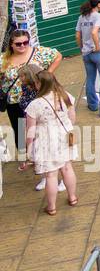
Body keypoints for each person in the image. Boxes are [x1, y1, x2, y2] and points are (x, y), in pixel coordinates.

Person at [3, 29, 63, 173]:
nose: (23, 46)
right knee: (21, 133)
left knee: (39, 131)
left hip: (36, 99)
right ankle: (29, 157)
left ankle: (44, 159)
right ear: (11, 44)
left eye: (25, 42)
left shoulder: (38, 52)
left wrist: (47, 75)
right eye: (18, 44)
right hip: (15, 103)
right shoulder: (4, 59)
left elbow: (58, 56)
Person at [24, 71, 78, 215]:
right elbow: (72, 118)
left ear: (39, 84)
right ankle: (72, 198)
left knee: (51, 175)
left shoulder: (35, 105)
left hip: (46, 140)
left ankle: (52, 207)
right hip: (65, 136)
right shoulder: (65, 95)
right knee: (67, 168)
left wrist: (28, 149)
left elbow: (30, 130)